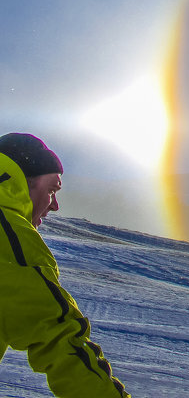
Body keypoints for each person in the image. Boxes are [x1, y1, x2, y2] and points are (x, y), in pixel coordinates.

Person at [0, 132, 130, 397]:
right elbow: (58, 336)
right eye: (51, 190)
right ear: (21, 182)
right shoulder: (9, 236)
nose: (55, 206)